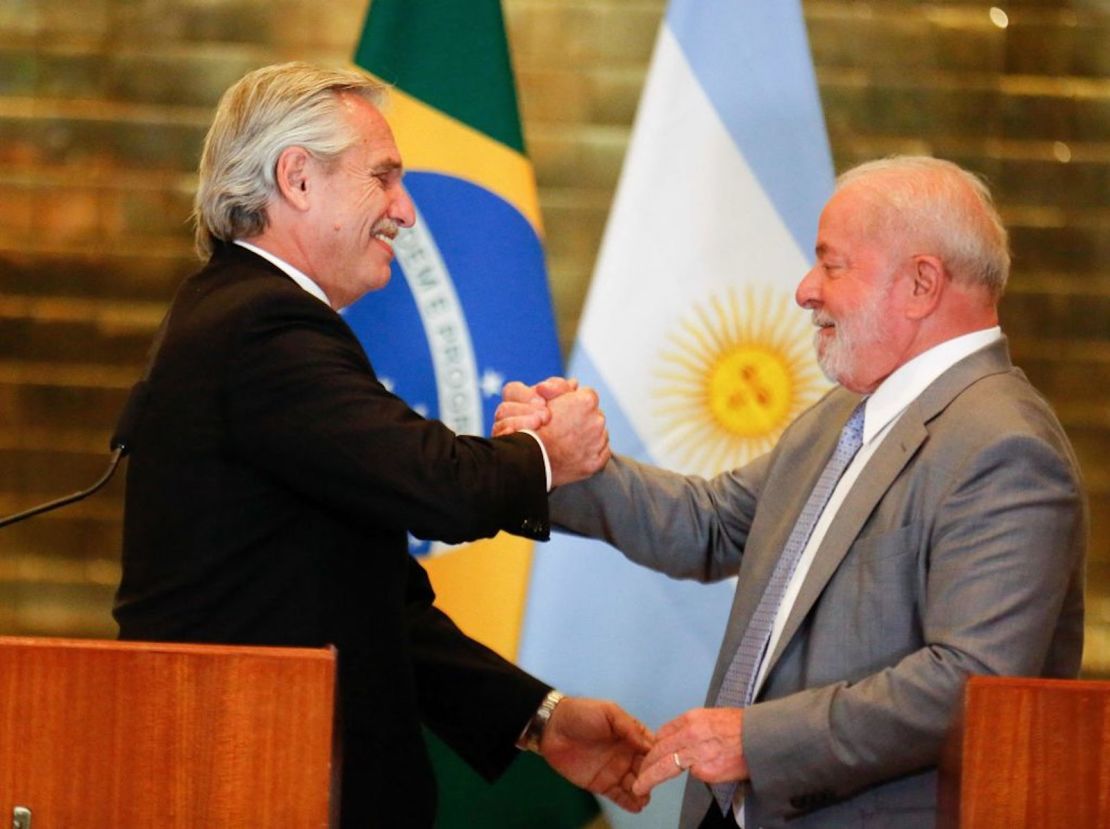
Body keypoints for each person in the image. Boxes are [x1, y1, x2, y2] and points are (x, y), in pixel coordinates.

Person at [113, 62, 653, 828]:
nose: (405, 208)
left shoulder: (245, 313)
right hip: (256, 785)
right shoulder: (263, 326)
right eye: (384, 176)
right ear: (297, 178)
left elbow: (370, 599)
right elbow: (436, 485)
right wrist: (547, 452)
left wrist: (540, 718)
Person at [496, 157, 1087, 828]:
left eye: (833, 265)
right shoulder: (844, 414)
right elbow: (711, 523)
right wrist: (560, 462)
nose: (806, 290)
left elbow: (969, 683)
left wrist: (754, 740)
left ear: (921, 283)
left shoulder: (1005, 447)